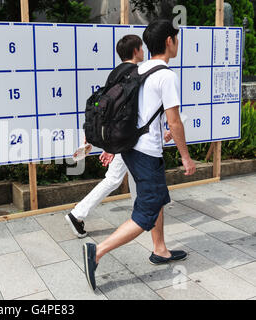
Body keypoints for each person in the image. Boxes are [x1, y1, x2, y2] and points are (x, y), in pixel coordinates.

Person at [82, 19, 196, 291]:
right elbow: (175, 121)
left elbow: (134, 111)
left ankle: (160, 249)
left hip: (133, 148)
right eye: (176, 39)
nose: (177, 43)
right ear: (169, 41)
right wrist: (186, 157)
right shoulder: (166, 75)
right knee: (146, 211)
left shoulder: (139, 69)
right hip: (146, 151)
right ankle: (96, 252)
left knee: (156, 198)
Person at [66, 34, 172, 238]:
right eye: (141, 48)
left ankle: (140, 217)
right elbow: (133, 112)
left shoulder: (116, 73)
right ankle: (77, 214)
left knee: (133, 177)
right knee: (115, 178)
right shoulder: (136, 74)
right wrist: (112, 146)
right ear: (135, 51)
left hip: (125, 138)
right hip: (131, 139)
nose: (144, 51)